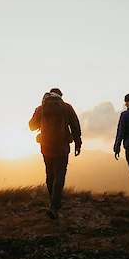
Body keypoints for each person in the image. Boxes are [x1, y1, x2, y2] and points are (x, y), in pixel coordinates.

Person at [28, 88, 82, 219]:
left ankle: (52, 202)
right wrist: (78, 144)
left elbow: (31, 126)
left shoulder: (41, 108)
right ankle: (54, 205)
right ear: (60, 96)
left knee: (49, 174)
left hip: (46, 147)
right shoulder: (66, 107)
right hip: (62, 147)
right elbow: (75, 126)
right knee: (59, 176)